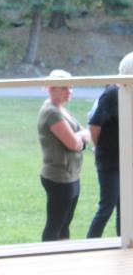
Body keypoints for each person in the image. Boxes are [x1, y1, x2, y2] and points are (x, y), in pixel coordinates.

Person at [38, 69, 92, 241]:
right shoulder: (52, 113)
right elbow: (73, 143)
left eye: (71, 87)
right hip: (59, 177)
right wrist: (80, 138)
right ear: (51, 88)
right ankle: (49, 254)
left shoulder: (61, 110)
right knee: (55, 226)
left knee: (64, 224)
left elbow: (86, 133)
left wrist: (80, 137)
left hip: (71, 175)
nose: (70, 91)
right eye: (64, 88)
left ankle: (64, 254)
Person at [86, 51, 133, 238]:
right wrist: (100, 146)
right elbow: (94, 125)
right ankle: (90, 244)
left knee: (126, 206)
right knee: (107, 205)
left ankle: (124, 242)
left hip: (126, 160)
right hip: (110, 161)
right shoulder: (113, 93)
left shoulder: (129, 94)